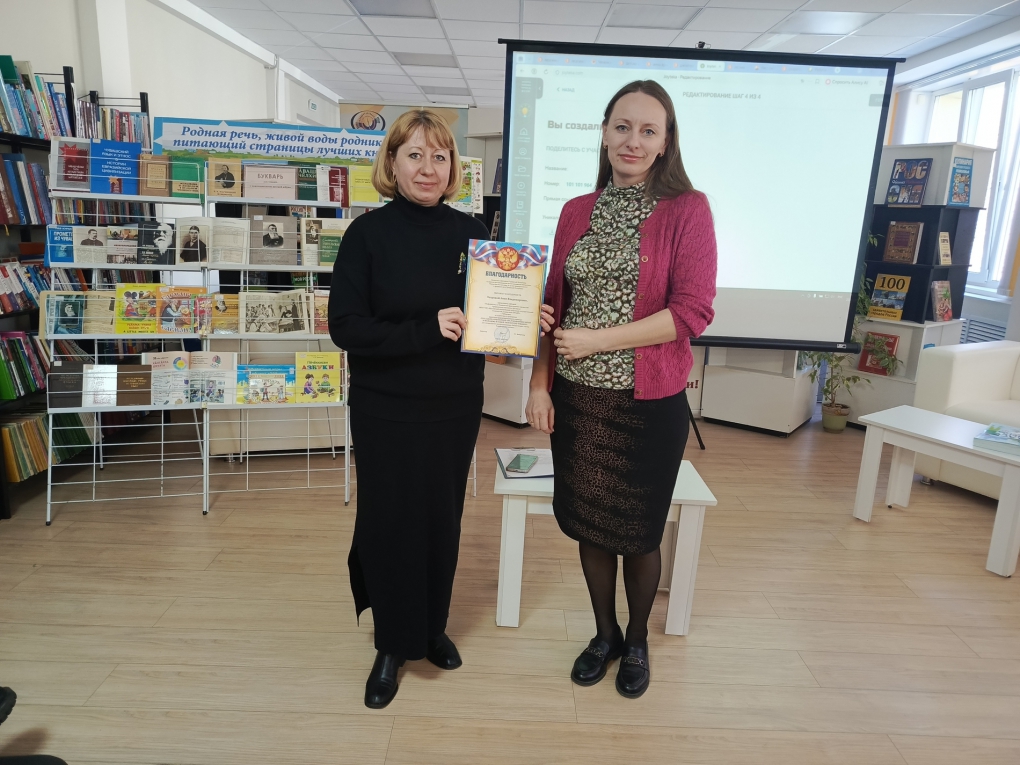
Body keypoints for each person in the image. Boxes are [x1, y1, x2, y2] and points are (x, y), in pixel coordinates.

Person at [526, 80, 717, 699]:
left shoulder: (688, 209)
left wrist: (598, 341)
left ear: (665, 143)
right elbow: (554, 306)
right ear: (605, 133)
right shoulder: (576, 210)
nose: (633, 140)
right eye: (623, 126)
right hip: (578, 401)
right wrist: (539, 384)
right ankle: (603, 634)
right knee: (590, 527)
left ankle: (637, 641)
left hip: (648, 404)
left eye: (648, 130)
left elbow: (691, 312)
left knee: (638, 531)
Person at [329, 110, 493, 710]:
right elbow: (346, 327)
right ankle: (391, 643)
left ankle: (430, 628)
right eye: (415, 155)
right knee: (389, 520)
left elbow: (489, 317)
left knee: (442, 518)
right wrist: (426, 330)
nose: (428, 168)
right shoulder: (366, 235)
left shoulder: (474, 233)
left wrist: (524, 321)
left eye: (440, 157)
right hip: (386, 407)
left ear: (453, 168)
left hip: (454, 404)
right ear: (392, 163)